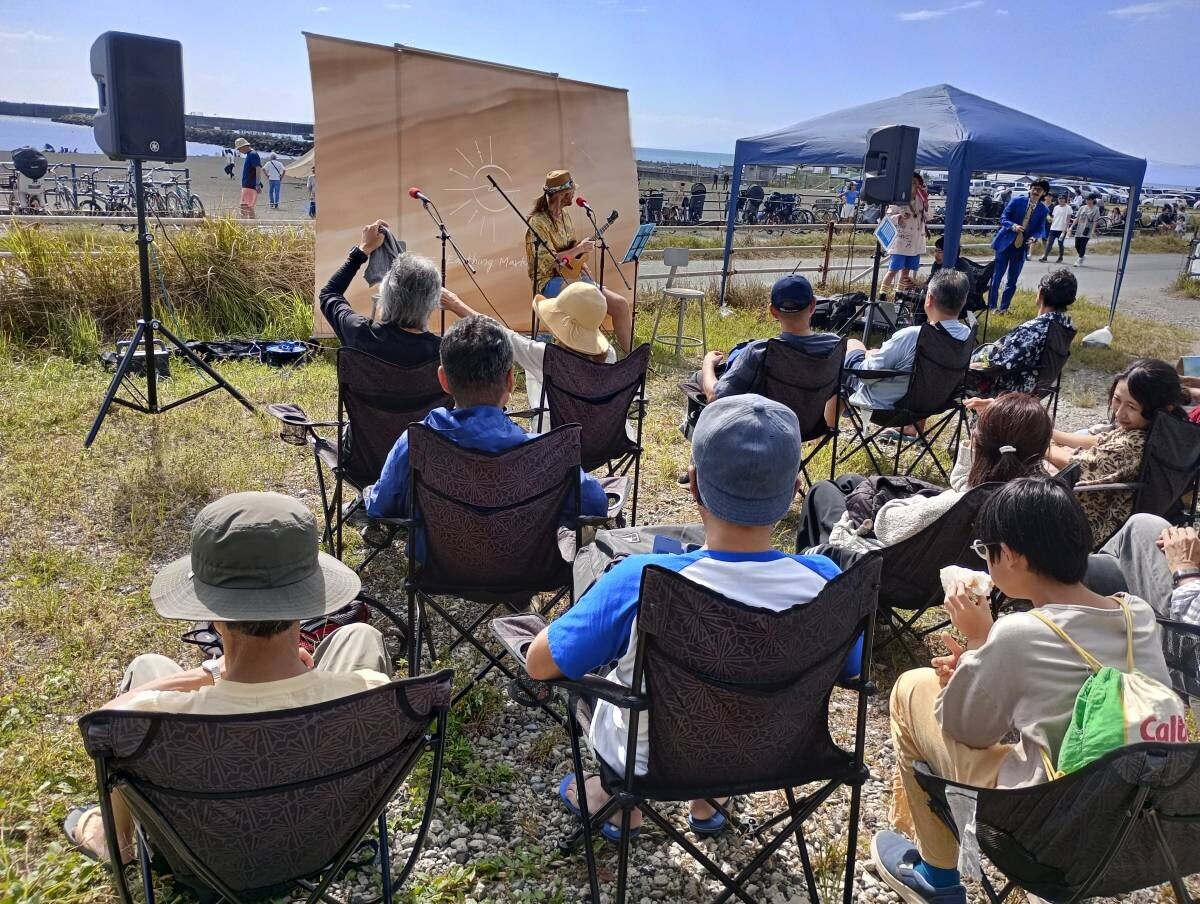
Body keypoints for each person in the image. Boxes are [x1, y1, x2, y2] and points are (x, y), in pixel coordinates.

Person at [524, 394, 858, 839]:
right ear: (793, 489)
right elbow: (852, 668)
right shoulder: (826, 582)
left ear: (694, 484)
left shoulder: (645, 578)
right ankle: (711, 799)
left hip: (648, 765)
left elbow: (541, 663)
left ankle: (616, 804)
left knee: (603, 673)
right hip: (777, 753)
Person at [872, 477, 1173, 904]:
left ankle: (937, 877)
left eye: (986, 551)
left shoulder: (1017, 633)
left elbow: (969, 730)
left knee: (912, 687)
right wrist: (983, 663)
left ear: (1009, 555)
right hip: (1138, 825)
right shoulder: (1137, 614)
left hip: (1045, 826)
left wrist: (980, 643)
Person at [63, 491, 389, 865]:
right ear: (309, 601)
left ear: (213, 615)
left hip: (199, 860)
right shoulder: (374, 694)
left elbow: (103, 722)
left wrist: (208, 672)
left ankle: (114, 839)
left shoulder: (148, 719)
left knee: (148, 666)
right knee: (359, 636)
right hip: (328, 840)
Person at [362, 314, 608, 522]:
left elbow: (380, 506)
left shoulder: (415, 442)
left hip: (436, 573)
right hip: (528, 571)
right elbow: (595, 504)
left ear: (443, 379)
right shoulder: (545, 453)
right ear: (511, 380)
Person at [799, 392, 1053, 556]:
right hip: (939, 564)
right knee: (850, 482)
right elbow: (965, 484)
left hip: (888, 568)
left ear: (983, 444)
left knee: (822, 491)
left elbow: (888, 526)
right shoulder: (1030, 498)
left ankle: (816, 587)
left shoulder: (956, 503)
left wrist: (911, 502)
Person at [968, 357, 1188, 546]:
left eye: (1131, 407)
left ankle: (970, 513)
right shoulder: (1163, 433)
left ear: (1157, 407)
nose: (1120, 413)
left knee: (1002, 456)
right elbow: (1095, 441)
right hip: (1086, 500)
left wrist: (1022, 432)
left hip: (1079, 524)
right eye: (1116, 400)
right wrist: (1045, 431)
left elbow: (1074, 464)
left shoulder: (1132, 445)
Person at [440, 280, 616, 432]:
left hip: (555, 443)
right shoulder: (609, 354)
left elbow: (502, 334)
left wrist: (456, 305)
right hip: (602, 441)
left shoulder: (546, 357)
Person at [525, 170, 632, 355]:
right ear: (562, 194)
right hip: (548, 281)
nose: (574, 195)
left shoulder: (566, 217)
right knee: (587, 306)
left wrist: (582, 265)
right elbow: (548, 263)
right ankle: (587, 359)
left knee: (620, 304)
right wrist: (579, 249)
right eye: (572, 191)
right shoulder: (537, 222)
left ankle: (632, 359)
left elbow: (572, 249)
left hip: (573, 277)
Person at [691, 274, 841, 404]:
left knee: (698, 378)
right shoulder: (835, 345)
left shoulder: (759, 351)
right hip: (812, 427)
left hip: (765, 430)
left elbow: (716, 398)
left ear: (773, 311)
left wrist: (707, 364)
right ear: (813, 305)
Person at [842, 269, 972, 414]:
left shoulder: (912, 335)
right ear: (963, 301)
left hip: (887, 406)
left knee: (851, 345)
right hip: (935, 403)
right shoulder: (967, 335)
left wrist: (866, 354)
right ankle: (911, 429)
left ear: (929, 299)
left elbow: (866, 375)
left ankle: (827, 431)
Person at [318, 220, 441, 368]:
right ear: (434, 302)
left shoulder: (360, 332)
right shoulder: (443, 351)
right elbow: (477, 336)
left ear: (385, 294)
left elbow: (329, 293)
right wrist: (456, 304)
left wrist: (362, 250)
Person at [969, 268, 1076, 395]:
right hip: (1036, 390)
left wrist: (971, 362)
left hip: (1007, 391)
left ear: (1041, 293)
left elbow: (997, 363)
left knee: (956, 369)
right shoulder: (1065, 326)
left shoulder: (1035, 329)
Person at [1086, 514, 1200, 621]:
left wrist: (1186, 570)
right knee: (1093, 566)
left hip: (1181, 633)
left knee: (1145, 527)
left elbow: (1192, 620)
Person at [988, 179, 1050, 313]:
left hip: (1021, 247)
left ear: (1044, 193)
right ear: (1030, 189)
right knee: (997, 276)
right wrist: (1013, 226)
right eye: (1034, 188)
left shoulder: (1043, 209)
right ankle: (992, 306)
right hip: (1005, 243)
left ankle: (1004, 308)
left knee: (1012, 280)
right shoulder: (1017, 201)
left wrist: (1034, 237)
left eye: (1039, 190)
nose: (1035, 191)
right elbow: (1004, 218)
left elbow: (1041, 228)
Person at [880, 172, 930, 295]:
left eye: (917, 183)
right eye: (912, 183)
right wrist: (899, 217)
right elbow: (888, 217)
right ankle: (883, 294)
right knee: (893, 269)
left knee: (906, 271)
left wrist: (927, 205)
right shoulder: (899, 198)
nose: (914, 186)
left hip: (915, 241)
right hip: (901, 242)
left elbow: (928, 217)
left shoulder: (922, 199)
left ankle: (899, 293)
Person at [1039, 193, 1072, 263]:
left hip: (1062, 229)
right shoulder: (1056, 207)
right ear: (1058, 199)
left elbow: (1068, 220)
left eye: (1062, 199)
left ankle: (1060, 257)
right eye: (1060, 199)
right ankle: (1045, 257)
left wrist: (1065, 230)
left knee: (1060, 244)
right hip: (1053, 228)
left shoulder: (1068, 208)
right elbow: (1054, 217)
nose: (1061, 200)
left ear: (1065, 199)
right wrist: (1049, 219)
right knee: (1049, 243)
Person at [234, 137, 262, 219]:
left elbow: (258, 168)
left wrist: (257, 184)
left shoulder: (252, 154)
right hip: (249, 185)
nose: (239, 151)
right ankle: (251, 227)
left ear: (244, 146)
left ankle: (246, 227)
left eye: (239, 149)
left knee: (244, 208)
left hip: (249, 185)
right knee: (249, 208)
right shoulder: (251, 154)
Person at [1070, 194, 1101, 266]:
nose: (1087, 201)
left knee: (1082, 245)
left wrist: (1093, 231)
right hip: (1080, 228)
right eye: (1087, 199)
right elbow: (1077, 218)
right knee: (1077, 245)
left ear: (1093, 200)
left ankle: (1079, 260)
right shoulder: (1082, 208)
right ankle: (1082, 256)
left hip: (1087, 229)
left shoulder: (1096, 209)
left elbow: (1095, 221)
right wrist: (1071, 227)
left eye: (1089, 199)